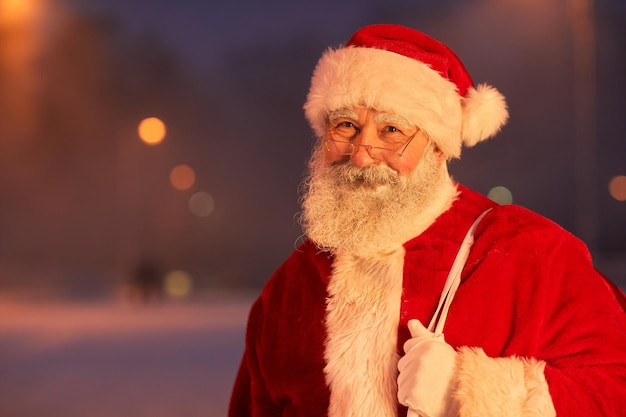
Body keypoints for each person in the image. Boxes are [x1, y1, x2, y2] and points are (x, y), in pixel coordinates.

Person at [228, 24, 626, 417]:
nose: (362, 155)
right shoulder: (288, 290)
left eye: (392, 130)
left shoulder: (534, 254)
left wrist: (471, 391)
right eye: (346, 125)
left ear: (437, 149)